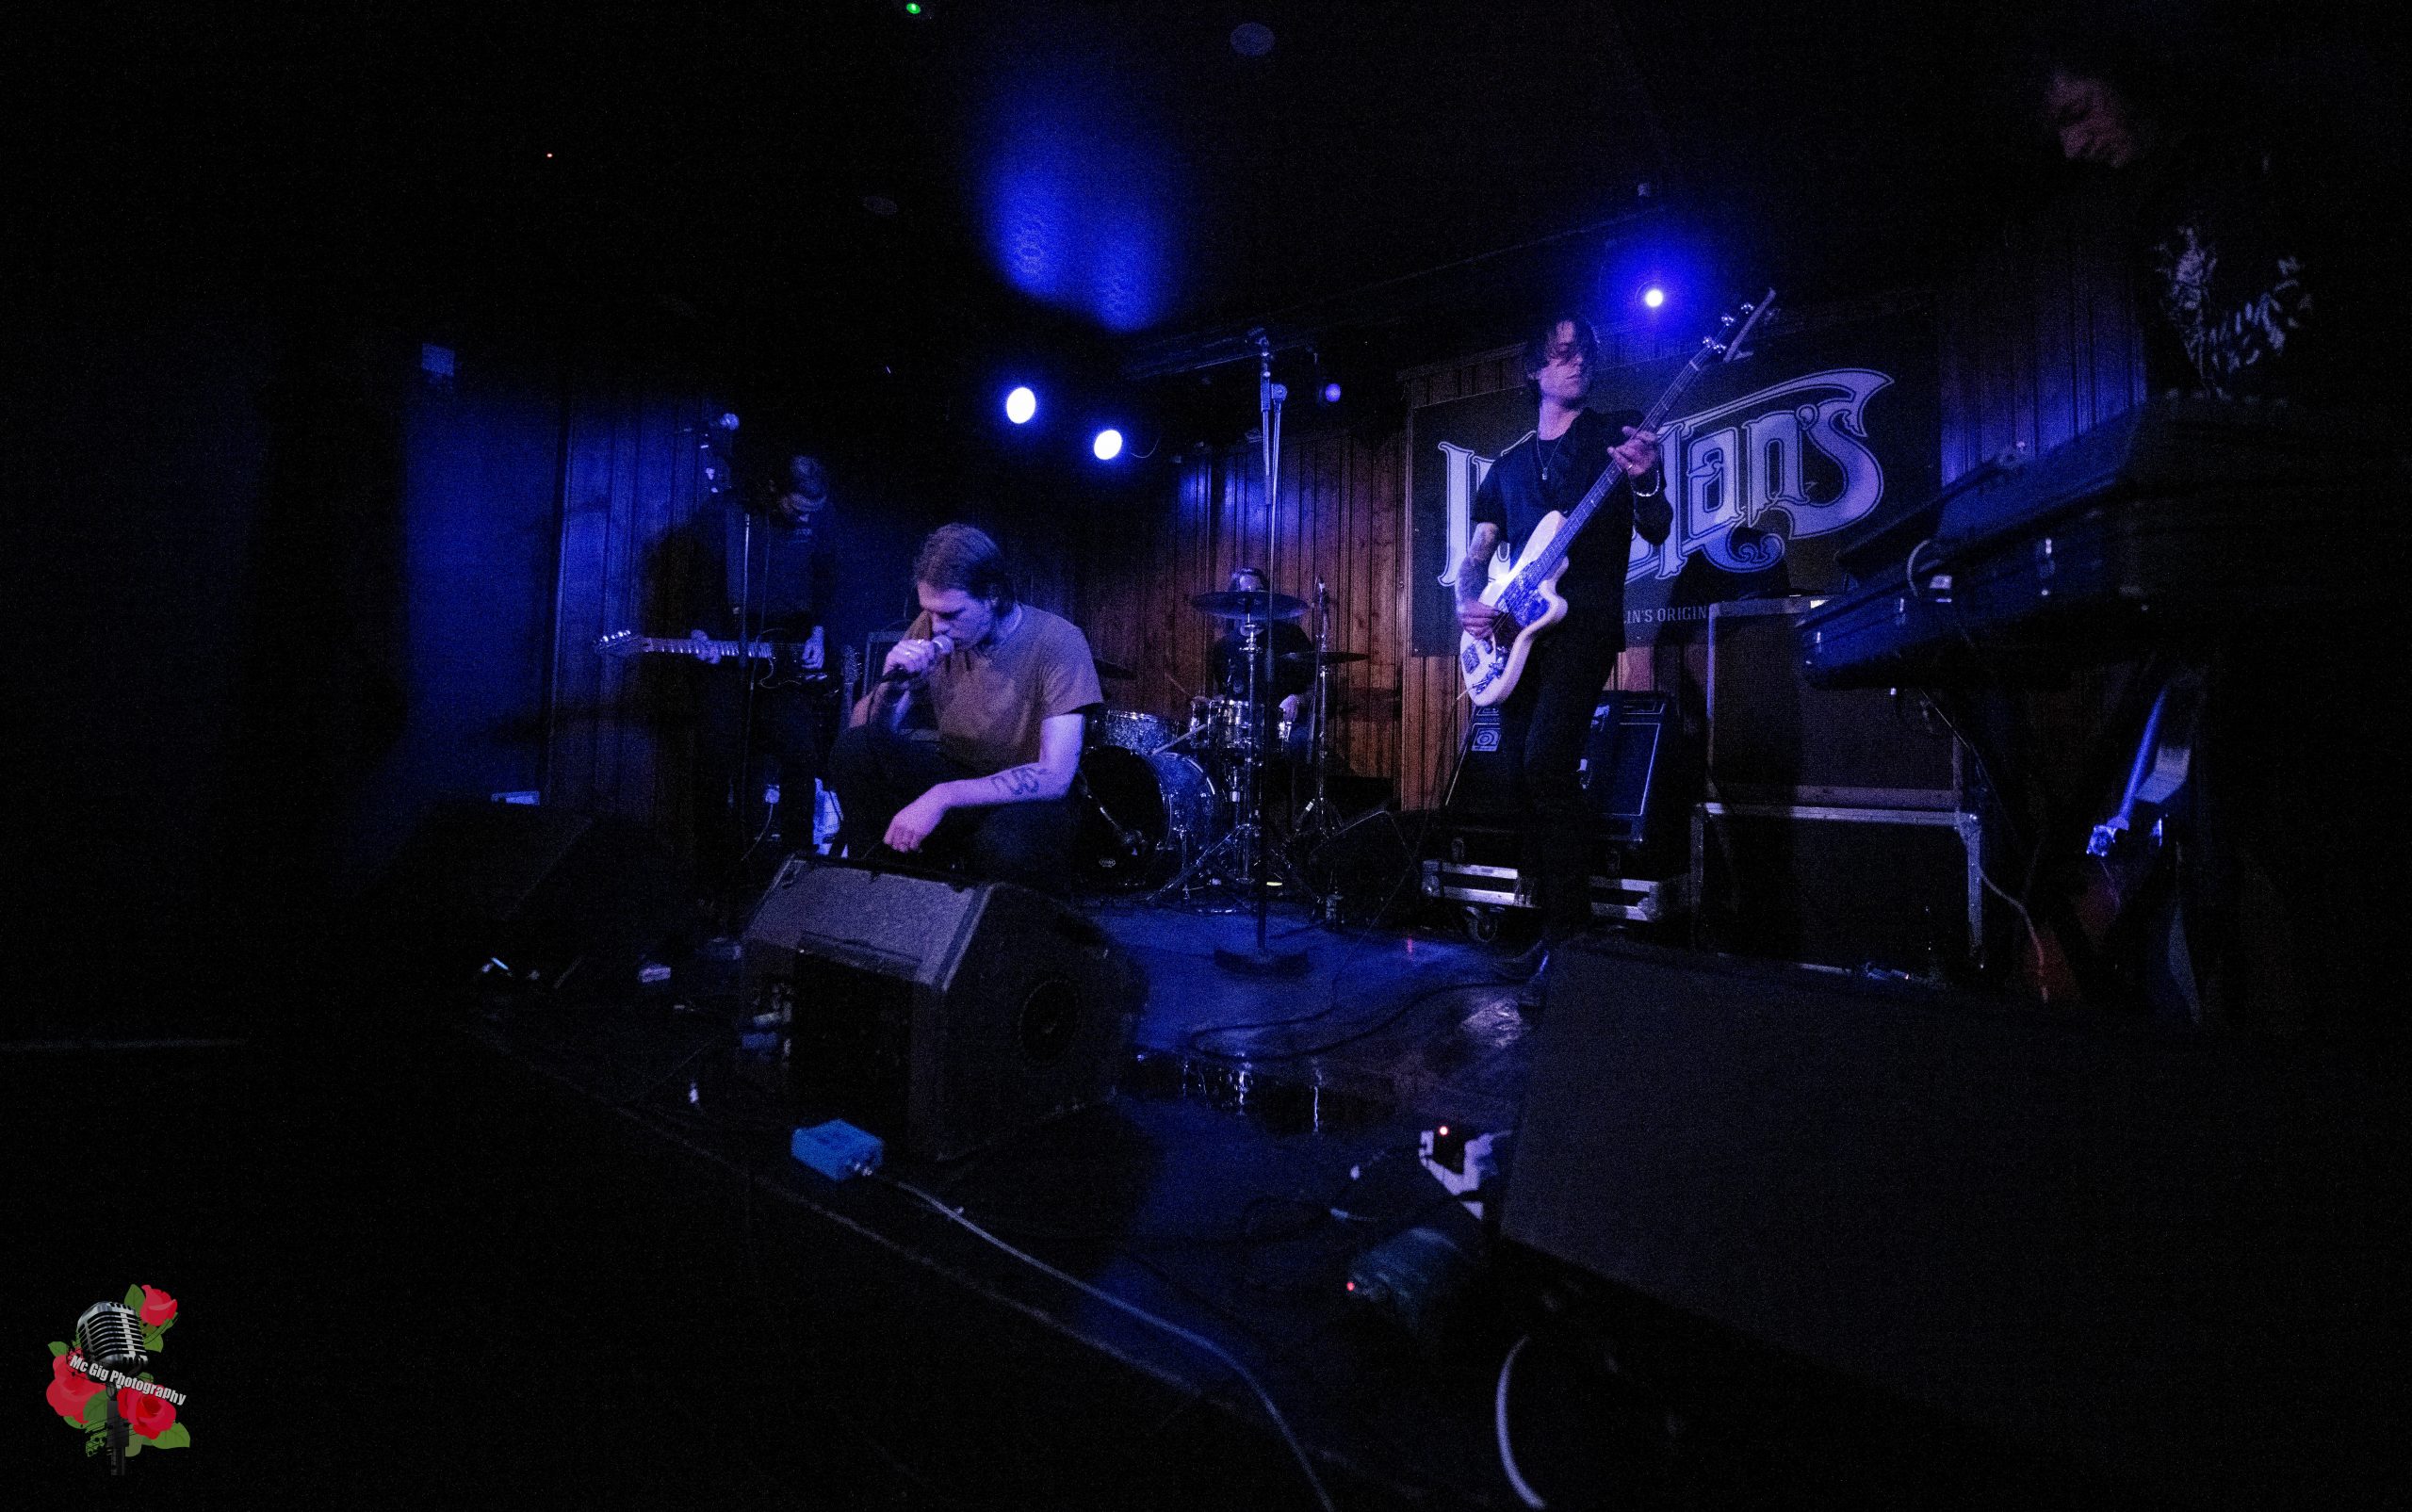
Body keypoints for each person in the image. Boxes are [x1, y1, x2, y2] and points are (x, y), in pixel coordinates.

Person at [1455, 313, 1670, 1008]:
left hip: (1586, 625)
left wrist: (1646, 480)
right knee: (1520, 775)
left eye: (1585, 352)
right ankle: (1549, 926)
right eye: (1563, 353)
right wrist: (1467, 604)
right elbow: (1476, 558)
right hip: (1516, 632)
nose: (1579, 362)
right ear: (1534, 369)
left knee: (1547, 761)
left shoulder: (1617, 434)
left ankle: (1572, 940)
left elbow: (1657, 525)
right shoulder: (1508, 468)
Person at [828, 524, 1103, 894]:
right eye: (929, 612)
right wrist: (893, 688)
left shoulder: (1058, 640)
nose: (937, 626)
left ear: (992, 596)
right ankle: (882, 894)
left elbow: (1055, 776)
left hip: (1028, 795)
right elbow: (865, 733)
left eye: (952, 614)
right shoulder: (932, 626)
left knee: (1004, 847)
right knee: (855, 751)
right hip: (958, 770)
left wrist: (942, 797)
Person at [689, 452, 838, 871]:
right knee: (717, 759)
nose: (805, 518)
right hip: (730, 653)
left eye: (813, 511)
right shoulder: (729, 514)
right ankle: (714, 871)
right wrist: (700, 629)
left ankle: (797, 865)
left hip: (784, 658)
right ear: (775, 490)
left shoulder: (816, 523)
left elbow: (826, 576)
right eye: (798, 508)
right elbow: (701, 576)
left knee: (802, 753)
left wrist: (818, 631)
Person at [1209, 565, 1312, 725]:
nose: (1253, 599)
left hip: (1286, 727)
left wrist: (1296, 699)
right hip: (1241, 728)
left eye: (1259, 592)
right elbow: (1226, 695)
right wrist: (1211, 704)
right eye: (1246, 594)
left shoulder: (1291, 636)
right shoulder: (1223, 646)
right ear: (1235, 600)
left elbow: (1318, 688)